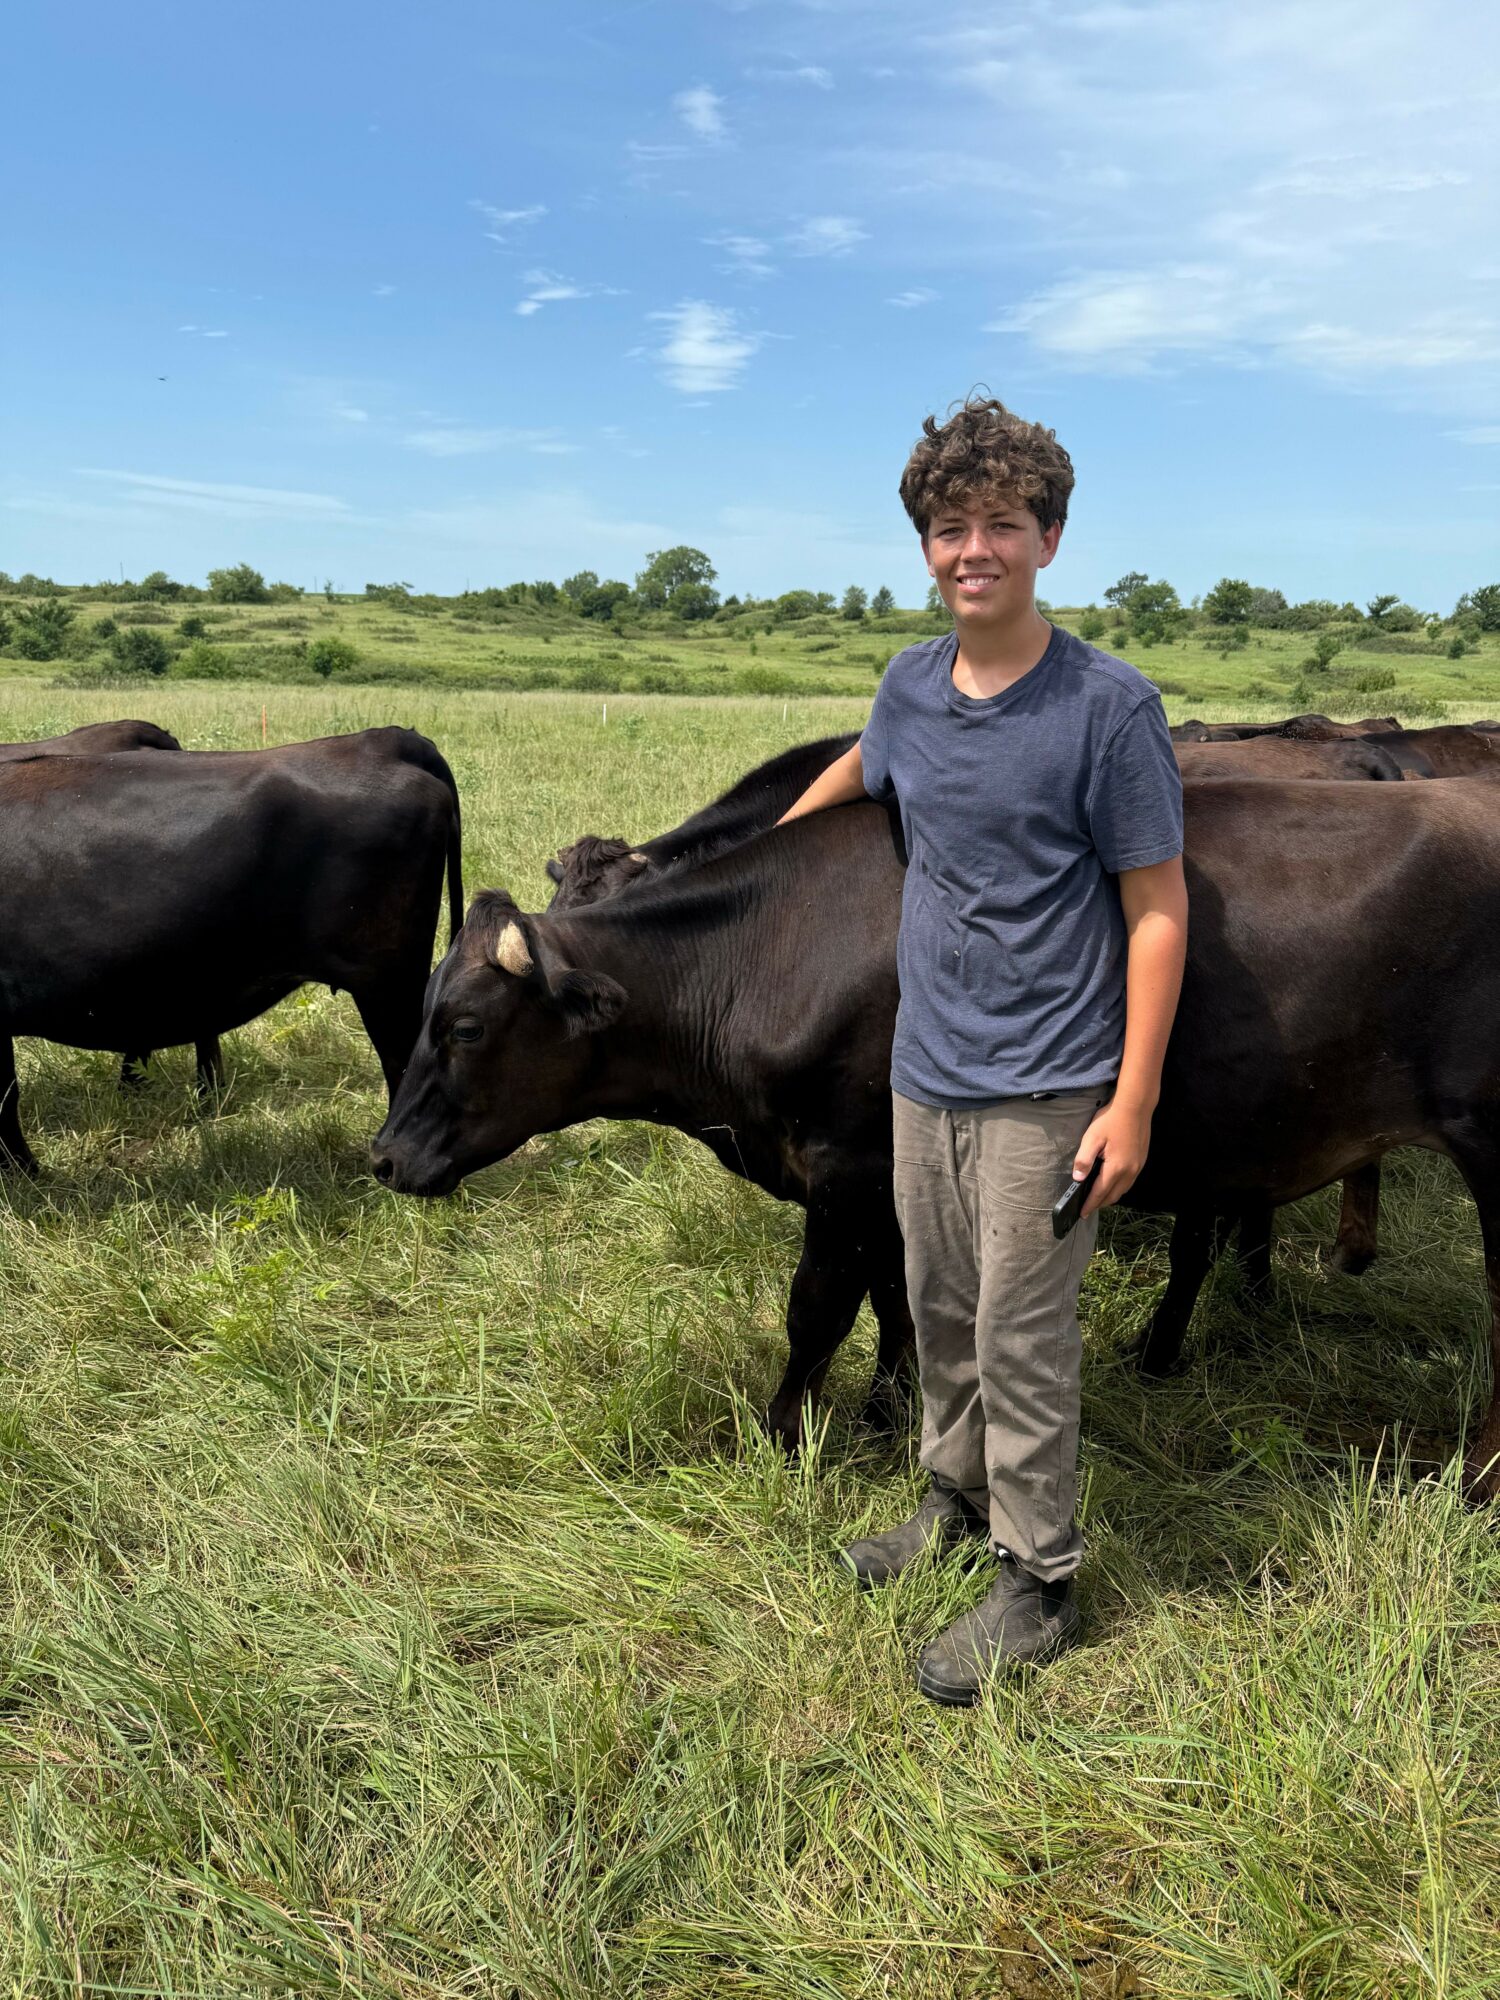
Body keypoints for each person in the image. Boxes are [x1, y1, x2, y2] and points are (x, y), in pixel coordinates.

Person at [777, 396, 1188, 1705]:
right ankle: (952, 1504)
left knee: (1022, 1334)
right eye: (951, 528)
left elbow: (1157, 907)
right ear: (926, 547)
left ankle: (1037, 1575)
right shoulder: (910, 684)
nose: (975, 550)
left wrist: (1132, 1099)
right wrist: (767, 864)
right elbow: (866, 766)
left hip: (1048, 1083)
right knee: (942, 1311)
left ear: (1048, 539)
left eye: (1002, 524)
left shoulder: (1108, 708)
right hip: (926, 1070)